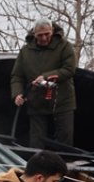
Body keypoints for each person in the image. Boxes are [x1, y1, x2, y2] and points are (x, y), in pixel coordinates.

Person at [10, 19, 77, 150]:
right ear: (34, 34)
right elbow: (17, 76)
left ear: (52, 31)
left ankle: (63, 167)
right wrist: (17, 94)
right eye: (40, 35)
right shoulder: (25, 51)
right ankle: (38, 167)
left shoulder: (64, 46)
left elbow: (69, 69)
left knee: (64, 139)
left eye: (47, 34)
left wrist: (45, 77)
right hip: (36, 101)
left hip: (62, 100)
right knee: (36, 142)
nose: (44, 37)